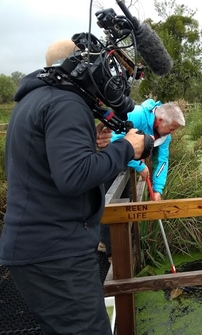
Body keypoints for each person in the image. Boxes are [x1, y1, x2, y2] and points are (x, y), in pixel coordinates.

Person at [0, 39, 147, 335]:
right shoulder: (66, 103)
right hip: (56, 253)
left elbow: (48, 165)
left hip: (37, 248)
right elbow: (74, 177)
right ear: (86, 64)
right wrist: (127, 149)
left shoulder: (35, 99)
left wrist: (87, 143)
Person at [99, 99, 185, 257]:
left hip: (125, 165)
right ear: (159, 120)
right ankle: (112, 253)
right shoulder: (136, 115)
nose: (172, 133)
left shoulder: (165, 135)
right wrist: (139, 166)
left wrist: (158, 189)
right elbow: (112, 143)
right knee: (109, 202)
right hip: (107, 162)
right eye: (171, 128)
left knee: (123, 200)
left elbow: (162, 161)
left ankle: (110, 245)